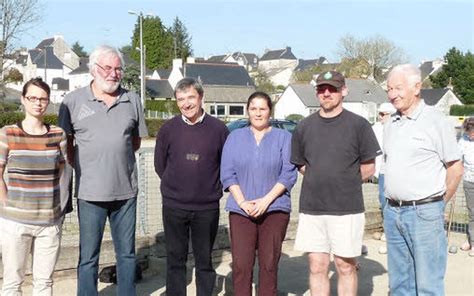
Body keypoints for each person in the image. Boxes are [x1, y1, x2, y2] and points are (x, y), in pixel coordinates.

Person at [58, 45, 148, 296]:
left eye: (118, 68)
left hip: (126, 193)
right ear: (93, 69)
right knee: (88, 257)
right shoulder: (72, 101)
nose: (114, 73)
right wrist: (87, 165)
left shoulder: (133, 99)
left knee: (127, 255)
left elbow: (136, 142)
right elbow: (67, 143)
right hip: (90, 193)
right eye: (108, 68)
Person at [291, 71, 380, 295]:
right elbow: (301, 165)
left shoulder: (359, 125)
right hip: (313, 208)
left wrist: (342, 180)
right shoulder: (304, 127)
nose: (327, 93)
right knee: (317, 266)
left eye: (332, 88)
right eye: (322, 89)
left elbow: (369, 167)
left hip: (347, 209)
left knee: (345, 266)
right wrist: (322, 177)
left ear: (344, 91)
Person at [383, 64, 463, 295]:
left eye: (398, 88)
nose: (392, 94)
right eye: (389, 89)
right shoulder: (391, 124)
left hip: (424, 213)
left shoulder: (435, 122)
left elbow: (455, 169)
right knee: (399, 284)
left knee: (428, 285)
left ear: (417, 87)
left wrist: (437, 204)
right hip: (393, 212)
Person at [154, 77, 229, 296]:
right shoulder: (168, 129)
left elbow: (227, 165)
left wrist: (210, 188)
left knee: (204, 260)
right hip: (174, 206)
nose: (186, 104)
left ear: (201, 98)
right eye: (180, 99)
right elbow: (160, 165)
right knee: (175, 260)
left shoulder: (219, 129)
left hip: (206, 208)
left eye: (190, 98)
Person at [220, 91, 297, 295]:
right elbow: (227, 173)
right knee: (241, 265)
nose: (258, 113)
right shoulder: (235, 138)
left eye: (262, 108)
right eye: (253, 108)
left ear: (270, 111)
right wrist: (243, 202)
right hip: (240, 210)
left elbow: (288, 173)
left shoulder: (284, 138)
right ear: (247, 111)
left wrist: (266, 201)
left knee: (269, 264)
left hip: (275, 209)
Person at [0, 78, 71, 295]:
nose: (38, 103)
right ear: (23, 99)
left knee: (44, 282)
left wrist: (57, 210)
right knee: (13, 282)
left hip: (48, 223)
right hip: (15, 223)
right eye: (32, 98)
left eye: (43, 99)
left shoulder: (58, 135)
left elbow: (62, 170)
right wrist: (5, 202)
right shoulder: (8, 134)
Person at [372, 102, 396, 250]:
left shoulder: (398, 127)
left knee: (394, 202)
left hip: (395, 172)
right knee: (383, 200)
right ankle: (387, 230)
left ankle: (393, 233)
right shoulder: (376, 129)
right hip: (382, 171)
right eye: (379, 114)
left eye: (383, 114)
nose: (380, 117)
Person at [458, 117, 474, 256]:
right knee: (472, 213)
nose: (470, 135)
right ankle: (472, 242)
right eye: (468, 132)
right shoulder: (464, 139)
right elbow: (458, 157)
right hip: (469, 180)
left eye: (472, 132)